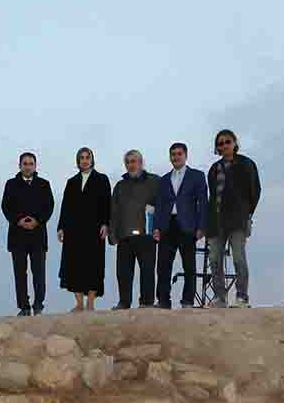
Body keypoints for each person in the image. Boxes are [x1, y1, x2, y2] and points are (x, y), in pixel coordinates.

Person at [206, 129, 261, 308]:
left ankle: (242, 297)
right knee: (214, 259)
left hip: (237, 220)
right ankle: (220, 297)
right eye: (220, 143)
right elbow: (212, 195)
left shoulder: (246, 164)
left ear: (234, 143)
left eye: (227, 142)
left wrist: (246, 213)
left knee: (238, 258)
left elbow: (255, 191)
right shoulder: (214, 169)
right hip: (216, 221)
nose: (224, 146)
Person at [152, 142, 208, 309]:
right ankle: (163, 301)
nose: (176, 157)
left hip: (187, 226)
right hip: (167, 225)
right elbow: (159, 206)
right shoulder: (163, 180)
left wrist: (202, 227)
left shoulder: (197, 176)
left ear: (185, 155)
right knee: (162, 265)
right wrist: (156, 227)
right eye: (173, 154)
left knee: (189, 265)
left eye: (179, 154)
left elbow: (203, 203)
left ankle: (187, 301)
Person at [58, 147, 112, 311]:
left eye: (87, 157)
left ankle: (90, 303)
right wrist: (61, 227)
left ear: (92, 159)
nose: (85, 160)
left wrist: (105, 223)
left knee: (93, 265)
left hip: (94, 229)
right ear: (78, 161)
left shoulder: (102, 179)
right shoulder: (71, 182)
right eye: (81, 157)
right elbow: (65, 207)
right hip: (74, 230)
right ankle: (79, 303)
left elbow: (106, 204)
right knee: (74, 265)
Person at [1, 152, 56, 316]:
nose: (28, 166)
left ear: (35, 166)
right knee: (20, 273)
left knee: (39, 272)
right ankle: (24, 307)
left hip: (38, 235)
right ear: (19, 166)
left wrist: (37, 221)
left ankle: (38, 305)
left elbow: (49, 206)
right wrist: (18, 220)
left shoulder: (44, 184)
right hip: (17, 236)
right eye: (24, 163)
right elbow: (6, 207)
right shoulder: (11, 184)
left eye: (31, 163)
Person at [110, 150, 159, 310]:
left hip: (146, 235)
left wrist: (159, 229)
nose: (131, 165)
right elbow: (114, 211)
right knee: (123, 273)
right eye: (128, 162)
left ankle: (146, 302)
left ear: (141, 162)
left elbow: (162, 207)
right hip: (124, 236)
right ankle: (124, 302)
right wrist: (113, 234)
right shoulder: (120, 186)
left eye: (134, 161)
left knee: (147, 270)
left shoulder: (154, 181)